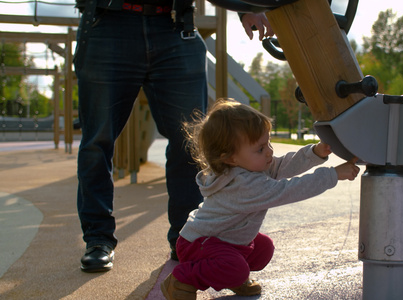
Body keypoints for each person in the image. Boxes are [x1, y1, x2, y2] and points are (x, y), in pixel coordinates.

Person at [73, 0, 274, 273]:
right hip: (108, 22)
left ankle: (186, 238)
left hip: (175, 24)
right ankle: (97, 239)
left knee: (191, 143)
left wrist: (243, 5)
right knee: (97, 141)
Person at [160, 99, 360, 300]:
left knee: (263, 248)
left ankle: (232, 275)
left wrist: (314, 153)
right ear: (230, 158)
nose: (270, 152)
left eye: (268, 143)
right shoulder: (243, 185)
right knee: (236, 268)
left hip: (225, 241)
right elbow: (290, 189)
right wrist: (333, 174)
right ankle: (183, 279)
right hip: (198, 244)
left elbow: (283, 166)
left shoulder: (251, 166)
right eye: (260, 148)